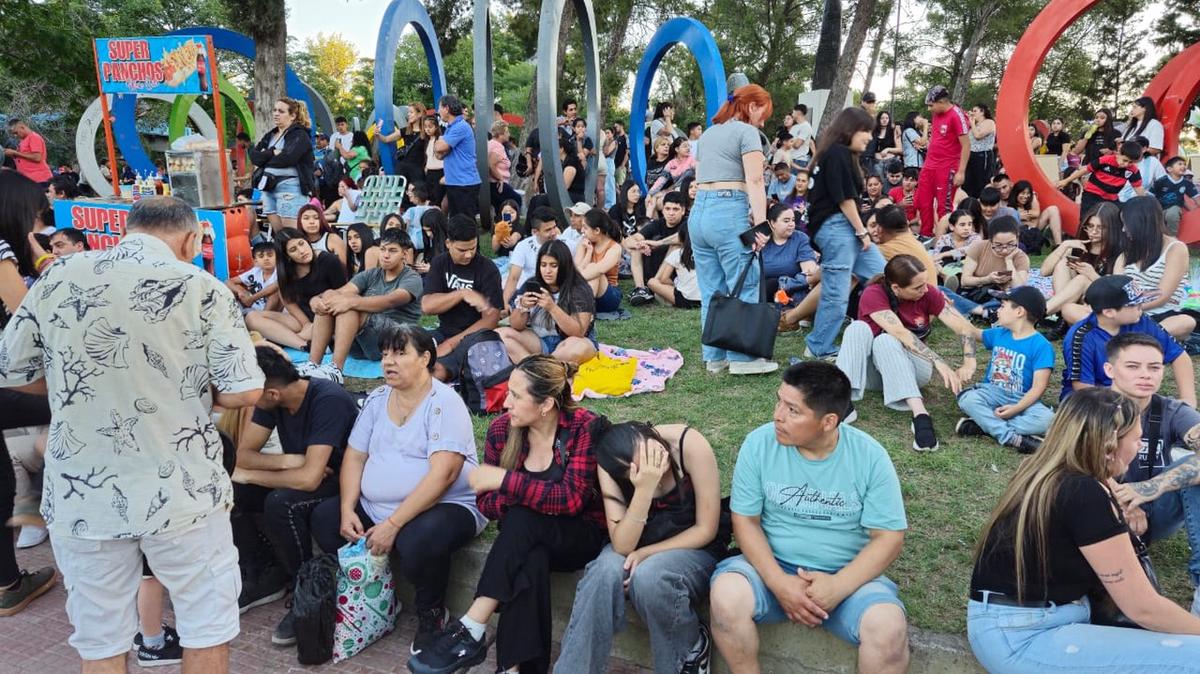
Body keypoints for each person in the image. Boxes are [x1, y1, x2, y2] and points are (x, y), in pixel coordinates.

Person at [0, 196, 263, 668]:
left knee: (101, 640)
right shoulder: (201, 286)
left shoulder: (60, 275)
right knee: (206, 627)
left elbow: (12, 370)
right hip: (183, 491)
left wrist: (80, 389)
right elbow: (244, 392)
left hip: (84, 495)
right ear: (191, 239)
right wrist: (184, 392)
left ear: (127, 231)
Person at [967, 387, 1200, 673]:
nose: (1140, 447)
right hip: (1026, 635)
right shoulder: (1084, 492)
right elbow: (1143, 608)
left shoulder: (1048, 474)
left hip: (1016, 623)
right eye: (1137, 438)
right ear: (1109, 445)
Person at [409, 356, 607, 674]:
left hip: (578, 536)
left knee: (523, 519)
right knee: (531, 557)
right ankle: (513, 669)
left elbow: (571, 500)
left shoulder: (585, 428)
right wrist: (520, 497)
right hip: (526, 541)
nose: (505, 401)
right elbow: (487, 505)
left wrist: (507, 482)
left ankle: (473, 625)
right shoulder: (503, 430)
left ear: (545, 405)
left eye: (516, 395)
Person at [709, 361, 909, 673]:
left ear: (828, 421)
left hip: (847, 575)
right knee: (726, 596)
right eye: (779, 401)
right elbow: (745, 521)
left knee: (889, 629)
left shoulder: (870, 457)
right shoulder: (759, 444)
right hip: (772, 567)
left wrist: (839, 585)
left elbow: (888, 538)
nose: (777, 415)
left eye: (793, 410)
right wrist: (778, 582)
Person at [308, 323, 483, 655]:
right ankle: (378, 593)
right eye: (385, 353)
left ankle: (432, 613)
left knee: (418, 541)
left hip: (447, 504)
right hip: (380, 509)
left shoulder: (444, 401)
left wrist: (393, 524)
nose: (388, 361)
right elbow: (356, 457)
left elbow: (444, 475)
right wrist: (347, 508)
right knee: (324, 517)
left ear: (425, 358)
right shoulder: (377, 398)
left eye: (400, 353)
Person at [556, 419, 723, 674]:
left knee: (650, 576)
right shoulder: (609, 465)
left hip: (693, 547)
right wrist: (644, 490)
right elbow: (622, 544)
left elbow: (706, 529)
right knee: (604, 572)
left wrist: (645, 553)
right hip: (634, 541)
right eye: (637, 468)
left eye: (650, 451)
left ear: (649, 433)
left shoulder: (688, 444)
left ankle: (689, 650)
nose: (653, 464)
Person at [232, 347, 355, 644]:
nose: (246, 401)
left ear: (272, 393)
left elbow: (311, 479)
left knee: (281, 503)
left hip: (342, 480)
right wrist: (286, 461)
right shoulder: (273, 396)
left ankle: (307, 590)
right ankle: (263, 572)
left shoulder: (328, 400)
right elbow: (244, 454)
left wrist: (249, 474)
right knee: (233, 490)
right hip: (305, 471)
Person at [836, 255, 978, 451]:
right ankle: (841, 400)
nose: (925, 289)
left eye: (925, 283)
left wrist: (969, 361)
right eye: (918, 287)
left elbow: (963, 327)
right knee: (858, 328)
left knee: (885, 340)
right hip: (872, 374)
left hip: (913, 370)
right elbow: (900, 332)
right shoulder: (873, 294)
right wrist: (939, 361)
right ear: (896, 288)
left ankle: (920, 415)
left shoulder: (929, 293)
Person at [1106, 333, 1200, 615]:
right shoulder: (1087, 406)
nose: (1145, 375)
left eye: (1155, 367)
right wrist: (1120, 498)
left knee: (1193, 472)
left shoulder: (1172, 410)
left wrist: (1147, 488)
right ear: (1110, 370)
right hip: (1096, 505)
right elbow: (1065, 460)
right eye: (1133, 366)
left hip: (1154, 512)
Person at [804, 107, 886, 361]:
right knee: (836, 294)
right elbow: (845, 200)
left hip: (842, 228)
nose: (870, 137)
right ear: (850, 129)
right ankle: (818, 347)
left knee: (883, 274)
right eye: (866, 131)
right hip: (838, 228)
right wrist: (863, 233)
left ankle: (889, 328)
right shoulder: (836, 153)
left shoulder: (835, 154)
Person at [300, 228, 423, 383]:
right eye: (383, 249)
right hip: (360, 344)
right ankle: (313, 364)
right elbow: (340, 292)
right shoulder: (372, 274)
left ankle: (336, 370)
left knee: (350, 305)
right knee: (332, 297)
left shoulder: (412, 278)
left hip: (395, 342)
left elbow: (390, 300)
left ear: (404, 254)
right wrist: (316, 300)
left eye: (392, 251)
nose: (385, 255)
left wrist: (350, 301)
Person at [1060, 274, 1196, 409]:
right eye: (1135, 304)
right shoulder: (1081, 337)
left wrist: (1188, 399)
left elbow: (1179, 356)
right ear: (1109, 312)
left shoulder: (1141, 321)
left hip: (1135, 396)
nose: (1141, 308)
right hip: (1092, 402)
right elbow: (1082, 387)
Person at [955, 286, 1054, 454]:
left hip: (1022, 398)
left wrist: (1016, 409)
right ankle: (1013, 438)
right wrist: (951, 310)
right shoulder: (999, 333)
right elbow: (971, 332)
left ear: (1019, 312)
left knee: (1048, 420)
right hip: (991, 391)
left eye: (1002, 306)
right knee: (967, 399)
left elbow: (1038, 388)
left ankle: (982, 425)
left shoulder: (1042, 346)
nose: (998, 310)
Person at [421, 215, 503, 382]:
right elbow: (427, 306)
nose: (468, 255)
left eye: (472, 248)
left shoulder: (487, 269)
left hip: (474, 338)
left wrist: (452, 343)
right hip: (443, 331)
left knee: (436, 372)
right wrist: (461, 294)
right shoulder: (440, 263)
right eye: (462, 250)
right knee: (410, 350)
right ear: (448, 244)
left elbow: (491, 320)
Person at [245, 227, 349, 350]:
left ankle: (289, 339)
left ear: (307, 241)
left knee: (323, 331)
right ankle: (304, 345)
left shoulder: (328, 260)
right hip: (301, 319)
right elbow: (288, 300)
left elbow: (344, 294)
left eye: (302, 243)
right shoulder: (286, 270)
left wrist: (317, 324)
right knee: (251, 318)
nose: (301, 251)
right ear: (287, 256)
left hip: (328, 317)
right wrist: (306, 324)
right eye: (293, 250)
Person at [499, 239, 597, 365]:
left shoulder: (579, 288)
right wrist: (522, 307)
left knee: (577, 348)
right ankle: (538, 368)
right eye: (543, 265)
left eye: (553, 265)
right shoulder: (533, 283)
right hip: (540, 341)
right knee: (501, 334)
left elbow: (578, 332)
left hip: (570, 343)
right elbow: (516, 325)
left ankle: (536, 368)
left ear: (564, 266)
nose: (547, 271)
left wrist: (552, 307)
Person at [1114, 196, 1195, 339]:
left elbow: (1162, 295)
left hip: (1162, 314)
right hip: (1125, 313)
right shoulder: (1126, 254)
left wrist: (1129, 309)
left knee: (1186, 322)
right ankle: (1137, 338)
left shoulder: (1175, 249)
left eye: (1126, 224)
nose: (1124, 229)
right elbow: (1116, 287)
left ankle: (1135, 337)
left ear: (1141, 224)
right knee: (1071, 309)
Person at [1039, 202, 1122, 325]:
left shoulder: (1119, 253)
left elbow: (1117, 291)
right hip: (1074, 301)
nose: (1093, 232)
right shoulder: (1080, 246)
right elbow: (1044, 272)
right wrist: (1065, 245)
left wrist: (1091, 275)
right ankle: (1062, 318)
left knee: (1082, 280)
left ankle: (1036, 314)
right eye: (1090, 226)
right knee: (1062, 264)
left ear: (1112, 228)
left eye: (1100, 228)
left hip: (1098, 303)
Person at [250, 97, 316, 231]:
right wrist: (273, 152)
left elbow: (288, 158)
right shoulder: (271, 135)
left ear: (292, 116)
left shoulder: (299, 134)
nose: (276, 114)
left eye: (281, 111)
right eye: (274, 110)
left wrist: (265, 158)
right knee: (280, 236)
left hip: (290, 187)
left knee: (292, 235)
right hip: (269, 188)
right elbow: (254, 157)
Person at [914, 86, 970, 237]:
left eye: (931, 105)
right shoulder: (937, 114)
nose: (929, 108)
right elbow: (939, 137)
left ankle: (945, 239)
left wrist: (961, 171)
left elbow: (966, 145)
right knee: (922, 201)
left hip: (948, 166)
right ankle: (926, 235)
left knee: (943, 207)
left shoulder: (957, 115)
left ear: (941, 102)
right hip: (930, 164)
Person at [626, 191, 687, 306]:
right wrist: (640, 245)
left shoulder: (687, 223)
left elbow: (681, 238)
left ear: (683, 211)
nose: (671, 213)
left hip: (671, 276)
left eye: (675, 209)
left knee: (675, 246)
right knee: (636, 248)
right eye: (667, 209)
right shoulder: (658, 224)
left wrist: (658, 243)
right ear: (662, 210)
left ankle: (655, 284)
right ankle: (641, 289)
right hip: (652, 269)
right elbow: (629, 240)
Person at [1059, 139, 1145, 216]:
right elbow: (1085, 170)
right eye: (1125, 160)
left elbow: (1138, 188)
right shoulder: (1105, 160)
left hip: (1111, 199)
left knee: (1115, 219)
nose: (1126, 164)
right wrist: (1066, 181)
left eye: (1131, 162)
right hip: (1091, 195)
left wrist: (1145, 204)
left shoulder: (1133, 170)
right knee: (1086, 219)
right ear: (1118, 153)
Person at [502, 207, 563, 310]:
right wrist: (504, 303)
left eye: (554, 227)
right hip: (531, 290)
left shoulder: (566, 244)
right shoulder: (523, 246)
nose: (553, 233)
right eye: (548, 230)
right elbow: (513, 278)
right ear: (535, 232)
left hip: (558, 289)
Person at [434, 95, 481, 221]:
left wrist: (439, 141)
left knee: (466, 222)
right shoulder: (451, 128)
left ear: (447, 108)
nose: (438, 111)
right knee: (456, 222)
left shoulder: (461, 126)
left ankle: (472, 242)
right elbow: (438, 155)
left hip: (464, 184)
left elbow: (439, 148)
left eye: (440, 108)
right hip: (454, 182)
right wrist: (440, 145)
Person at [574, 208, 624, 314]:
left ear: (597, 230)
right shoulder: (584, 243)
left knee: (594, 269)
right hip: (584, 290)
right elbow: (577, 267)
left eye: (585, 227)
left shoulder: (614, 247)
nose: (582, 231)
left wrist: (572, 278)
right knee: (591, 268)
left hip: (609, 296)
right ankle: (583, 309)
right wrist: (588, 252)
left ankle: (585, 312)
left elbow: (599, 270)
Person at [648, 220, 702, 309]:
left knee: (652, 282)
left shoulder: (678, 253)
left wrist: (675, 284)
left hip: (684, 299)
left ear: (680, 238)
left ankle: (668, 301)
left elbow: (664, 279)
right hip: (706, 299)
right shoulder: (708, 254)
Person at [870, 203, 938, 274]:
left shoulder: (882, 250)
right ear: (907, 223)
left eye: (875, 225)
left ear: (880, 229)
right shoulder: (915, 242)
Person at [227, 240, 280, 315]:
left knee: (275, 293)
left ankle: (262, 319)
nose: (266, 259)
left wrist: (251, 299)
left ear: (278, 258)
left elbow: (274, 287)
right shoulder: (256, 271)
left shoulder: (280, 271)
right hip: (252, 306)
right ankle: (237, 315)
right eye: (261, 256)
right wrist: (241, 292)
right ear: (255, 261)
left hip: (271, 311)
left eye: (270, 255)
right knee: (236, 286)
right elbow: (228, 281)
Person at [1152, 156, 1199, 236]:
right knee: (1157, 225)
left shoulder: (1186, 183)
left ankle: (1172, 238)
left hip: (1174, 207)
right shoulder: (1161, 181)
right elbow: (1151, 195)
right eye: (1180, 164)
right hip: (1158, 208)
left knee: (1172, 214)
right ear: (1169, 169)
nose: (1183, 166)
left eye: (1184, 164)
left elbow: (1197, 198)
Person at [1008, 179, 1063, 246]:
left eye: (1028, 193)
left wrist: (1023, 215)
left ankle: (1059, 244)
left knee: (1053, 209)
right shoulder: (1010, 205)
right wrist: (1018, 215)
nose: (1025, 196)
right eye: (1022, 193)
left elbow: (1036, 213)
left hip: (1035, 228)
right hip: (1021, 233)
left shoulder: (1032, 197)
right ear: (1016, 193)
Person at [297, 203, 348, 269]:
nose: (312, 222)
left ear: (321, 220)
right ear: (300, 222)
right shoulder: (296, 241)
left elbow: (343, 269)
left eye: (316, 218)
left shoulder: (334, 239)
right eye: (306, 218)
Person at [5, 119, 53, 186]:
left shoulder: (34, 137)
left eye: (16, 133)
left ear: (22, 127)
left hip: (40, 179)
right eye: (13, 134)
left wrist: (15, 153)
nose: (15, 136)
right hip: (29, 180)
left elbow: (37, 157)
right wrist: (13, 155)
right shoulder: (24, 140)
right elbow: (24, 157)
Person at [964, 105, 997, 198]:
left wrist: (972, 123)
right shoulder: (974, 124)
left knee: (980, 182)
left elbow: (978, 135)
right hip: (971, 155)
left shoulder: (989, 122)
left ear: (982, 112)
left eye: (975, 111)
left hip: (983, 155)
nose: (973, 113)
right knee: (968, 182)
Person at [868, 111, 902, 178]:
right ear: (878, 119)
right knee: (878, 184)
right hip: (876, 163)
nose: (884, 120)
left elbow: (900, 149)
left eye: (887, 118)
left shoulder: (894, 130)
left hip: (891, 162)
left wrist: (887, 149)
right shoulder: (874, 132)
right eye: (882, 118)